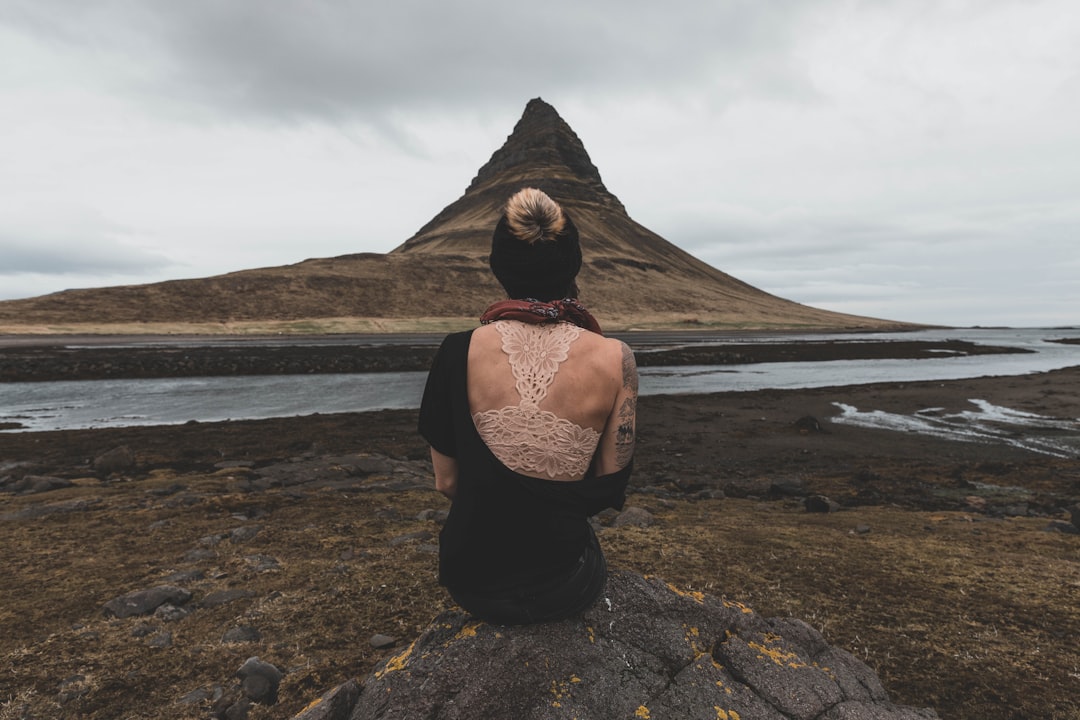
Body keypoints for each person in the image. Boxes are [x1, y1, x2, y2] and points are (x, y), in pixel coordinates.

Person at [418, 187, 637, 625]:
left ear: (500, 267)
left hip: (472, 581)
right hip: (563, 583)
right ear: (572, 264)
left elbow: (446, 482)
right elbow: (608, 487)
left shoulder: (455, 351)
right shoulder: (617, 358)